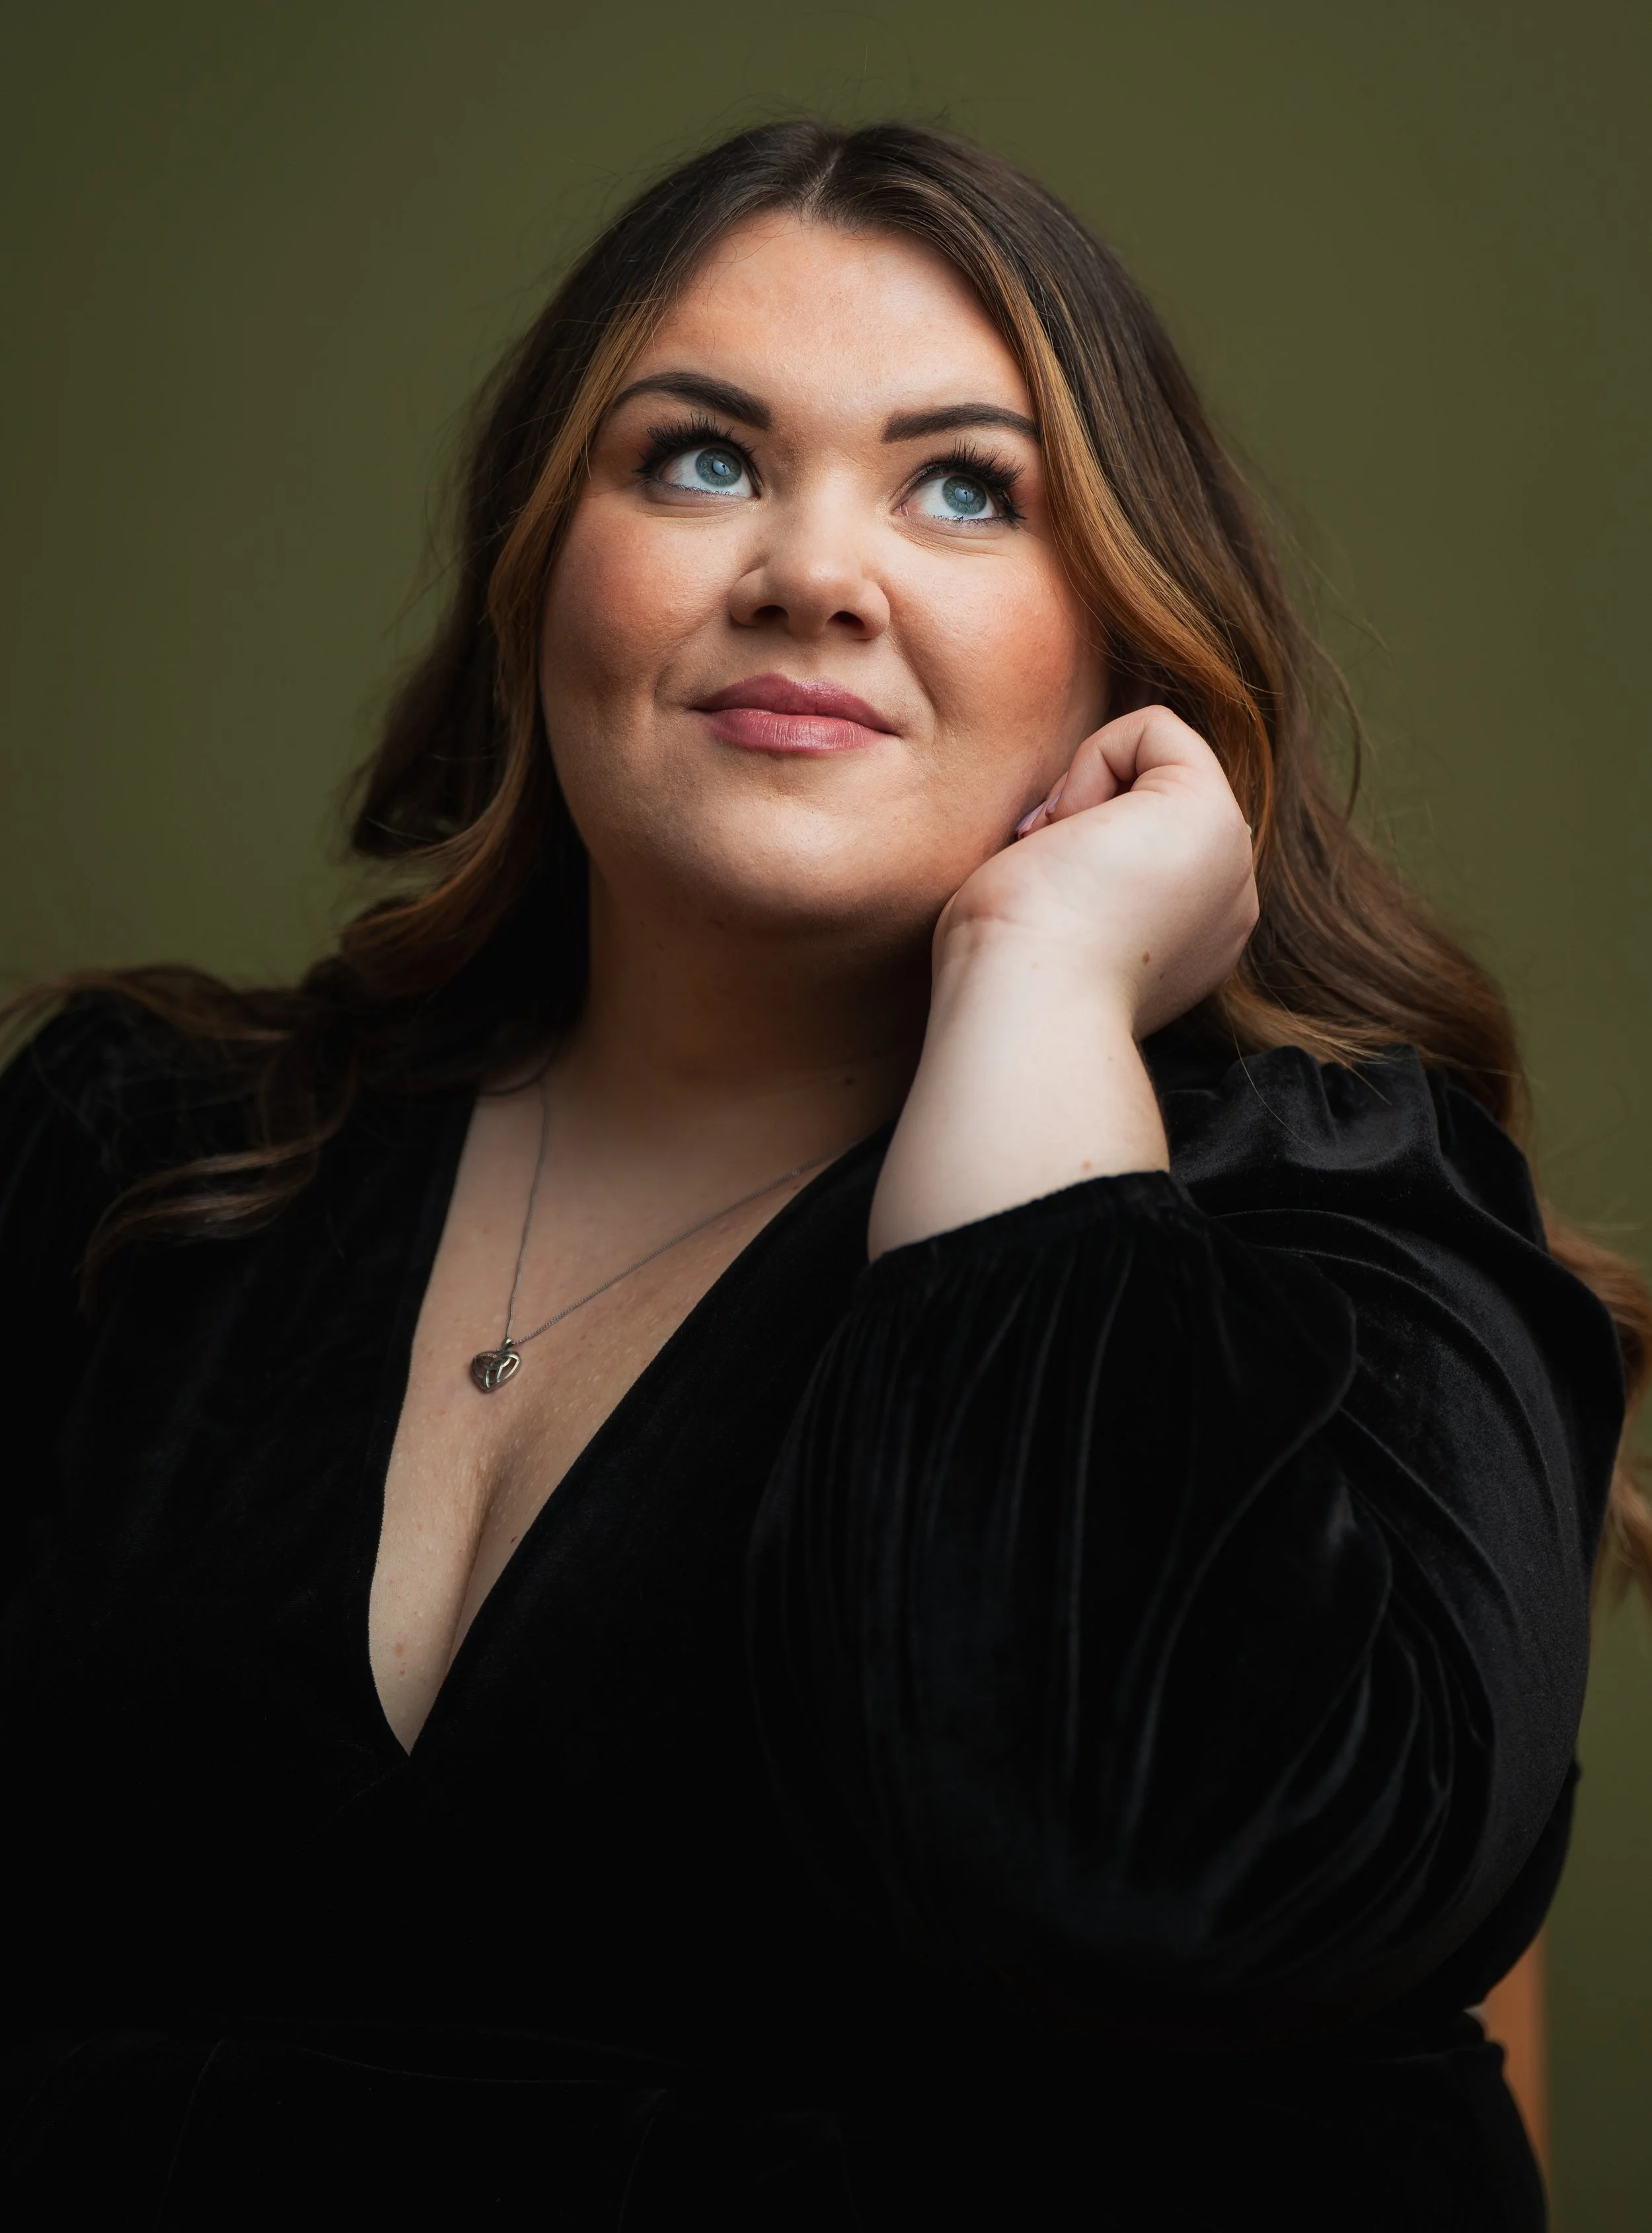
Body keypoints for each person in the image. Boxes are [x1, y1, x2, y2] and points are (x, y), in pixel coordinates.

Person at [2, 121, 1643, 2231]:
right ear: (536, 569)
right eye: (698, 459)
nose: (810, 570)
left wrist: (1040, 995)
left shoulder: (1339, 1249)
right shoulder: (144, 1157)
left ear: (1119, 642)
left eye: (965, 487)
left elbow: (1134, 1883)